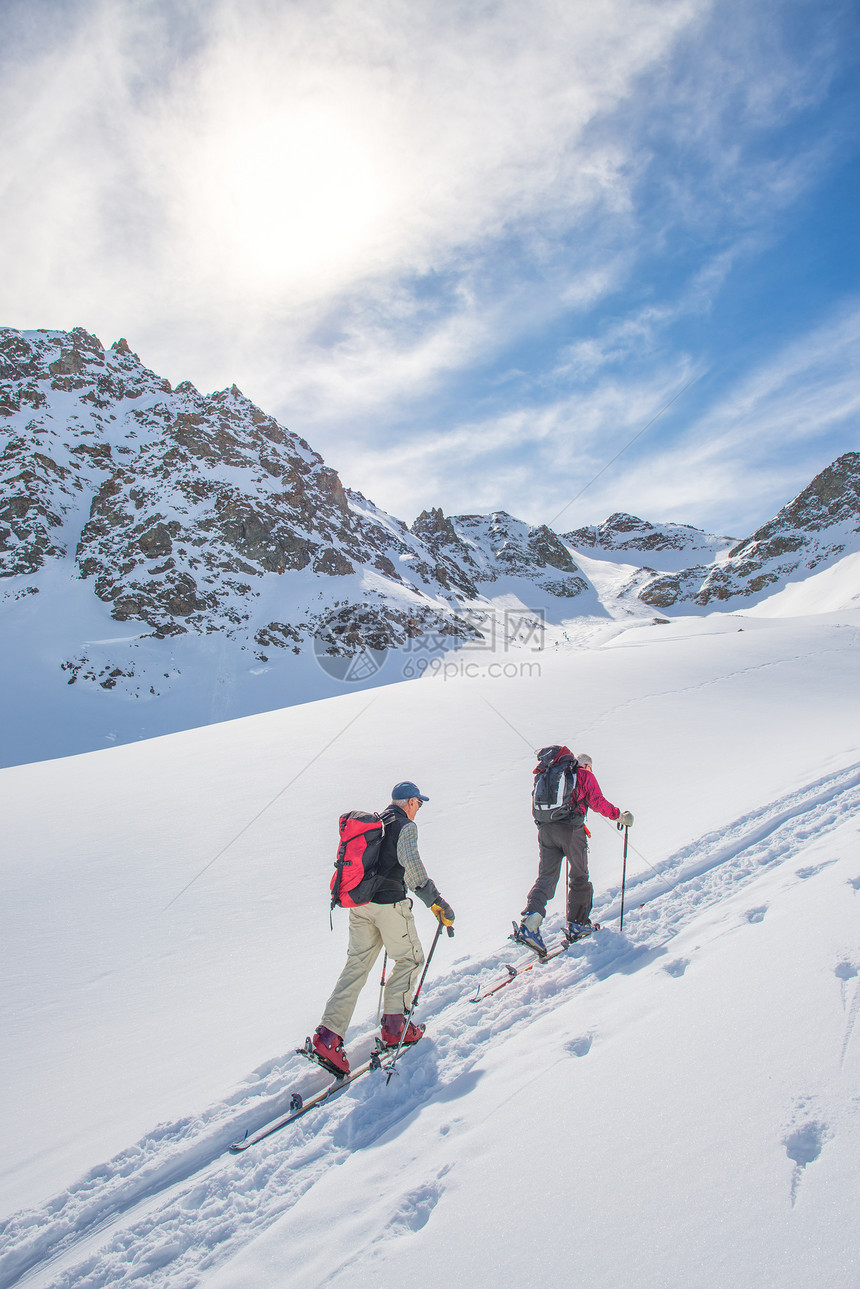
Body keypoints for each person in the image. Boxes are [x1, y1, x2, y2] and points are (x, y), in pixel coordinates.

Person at [312, 780, 455, 1076]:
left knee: (357, 965)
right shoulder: (405, 826)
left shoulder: (377, 823)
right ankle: (394, 1026)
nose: (419, 809)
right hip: (389, 905)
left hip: (361, 905)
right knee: (410, 958)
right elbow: (412, 868)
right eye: (419, 803)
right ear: (411, 802)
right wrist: (436, 902)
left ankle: (327, 1037)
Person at [517, 750, 633, 955]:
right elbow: (597, 802)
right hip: (571, 830)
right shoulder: (584, 775)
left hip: (546, 829)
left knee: (545, 877)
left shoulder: (550, 775)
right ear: (586, 765)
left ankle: (530, 924)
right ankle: (578, 925)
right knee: (579, 875)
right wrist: (619, 816)